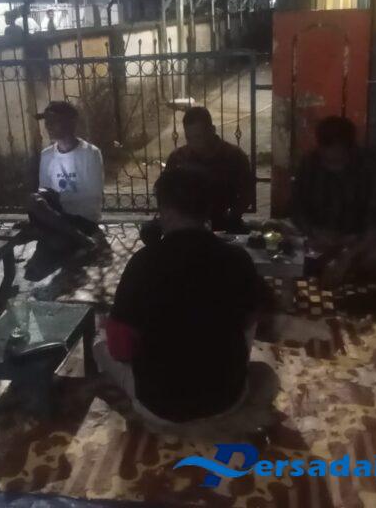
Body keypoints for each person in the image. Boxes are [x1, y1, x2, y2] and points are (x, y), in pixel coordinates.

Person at [95, 167, 264, 424]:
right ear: (207, 209)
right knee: (259, 357)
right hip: (227, 398)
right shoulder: (238, 258)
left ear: (167, 210)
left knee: (99, 341)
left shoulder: (143, 263)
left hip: (160, 405)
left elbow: (119, 349)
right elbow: (250, 321)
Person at [291, 115, 376, 290]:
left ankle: (343, 270)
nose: (331, 161)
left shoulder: (370, 167)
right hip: (321, 237)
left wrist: (348, 255)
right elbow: (296, 209)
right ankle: (334, 270)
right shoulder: (309, 164)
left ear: (349, 149)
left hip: (357, 239)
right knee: (285, 246)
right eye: (326, 156)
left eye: (338, 156)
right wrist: (314, 232)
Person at [24, 101, 104, 280]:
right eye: (47, 122)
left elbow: (93, 195)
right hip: (57, 216)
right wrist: (48, 203)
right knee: (33, 200)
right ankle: (80, 240)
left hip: (81, 218)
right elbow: (44, 191)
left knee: (53, 245)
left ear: (71, 122)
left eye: (54, 121)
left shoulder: (90, 153)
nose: (48, 126)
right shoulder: (47, 154)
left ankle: (62, 242)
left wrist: (55, 204)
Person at [165, 106, 255, 232]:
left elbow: (247, 192)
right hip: (188, 226)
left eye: (198, 137)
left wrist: (232, 215)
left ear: (212, 130)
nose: (194, 143)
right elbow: (166, 194)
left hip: (226, 224)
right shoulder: (178, 159)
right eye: (189, 138)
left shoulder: (234, 156)